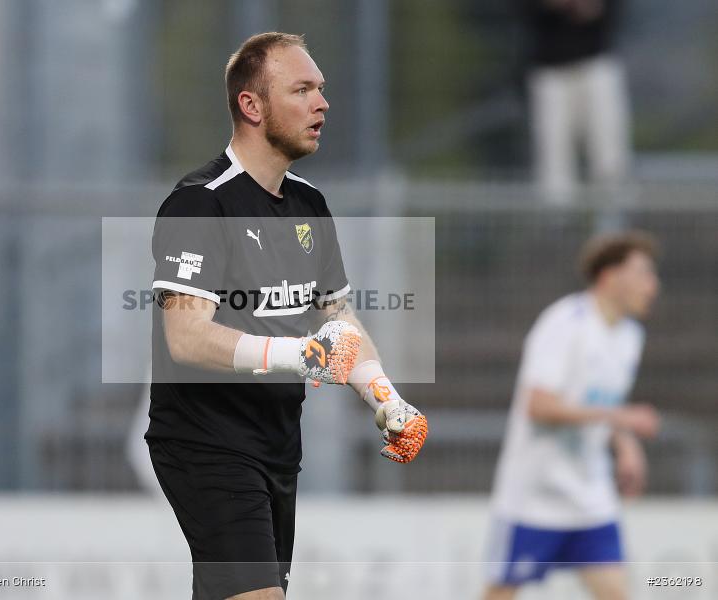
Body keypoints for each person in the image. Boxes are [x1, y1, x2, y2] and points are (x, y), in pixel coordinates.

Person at [146, 32, 428, 600]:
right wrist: (298, 355)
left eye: (321, 90)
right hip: (206, 445)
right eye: (301, 90)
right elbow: (185, 336)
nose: (322, 104)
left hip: (277, 446)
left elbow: (338, 319)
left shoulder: (309, 205)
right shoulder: (201, 202)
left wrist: (387, 399)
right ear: (251, 106)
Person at [484, 231, 661, 600]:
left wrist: (625, 444)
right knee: (500, 594)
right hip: (534, 499)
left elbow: (600, 405)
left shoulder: (630, 336)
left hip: (590, 499)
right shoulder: (566, 324)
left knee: (616, 594)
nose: (653, 285)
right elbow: (540, 406)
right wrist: (624, 418)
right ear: (609, 276)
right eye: (643, 273)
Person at [522, 0, 631, 204]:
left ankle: (611, 216)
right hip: (549, 69)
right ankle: (558, 221)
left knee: (608, 147)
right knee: (554, 153)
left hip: (596, 61)